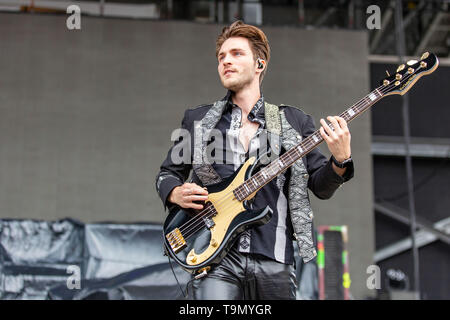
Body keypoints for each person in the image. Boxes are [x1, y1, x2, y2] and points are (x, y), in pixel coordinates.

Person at [155, 20, 354, 300]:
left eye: (236, 54)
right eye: (221, 57)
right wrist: (175, 192)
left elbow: (321, 186)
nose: (226, 61)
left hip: (273, 254)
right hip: (214, 255)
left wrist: (341, 159)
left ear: (259, 64)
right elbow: (167, 174)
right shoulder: (198, 120)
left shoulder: (293, 122)